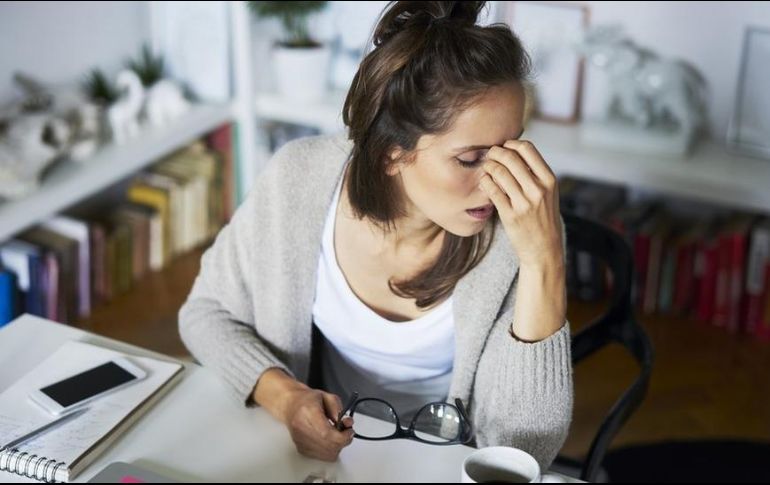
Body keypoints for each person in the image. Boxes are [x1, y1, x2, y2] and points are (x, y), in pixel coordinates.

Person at [179, 0, 572, 472]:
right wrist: (286, 399)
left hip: (444, 465)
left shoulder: (523, 232)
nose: (498, 181)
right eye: (470, 158)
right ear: (391, 153)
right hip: (322, 459)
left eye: (512, 148)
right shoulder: (296, 181)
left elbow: (522, 452)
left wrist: (544, 260)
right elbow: (205, 314)